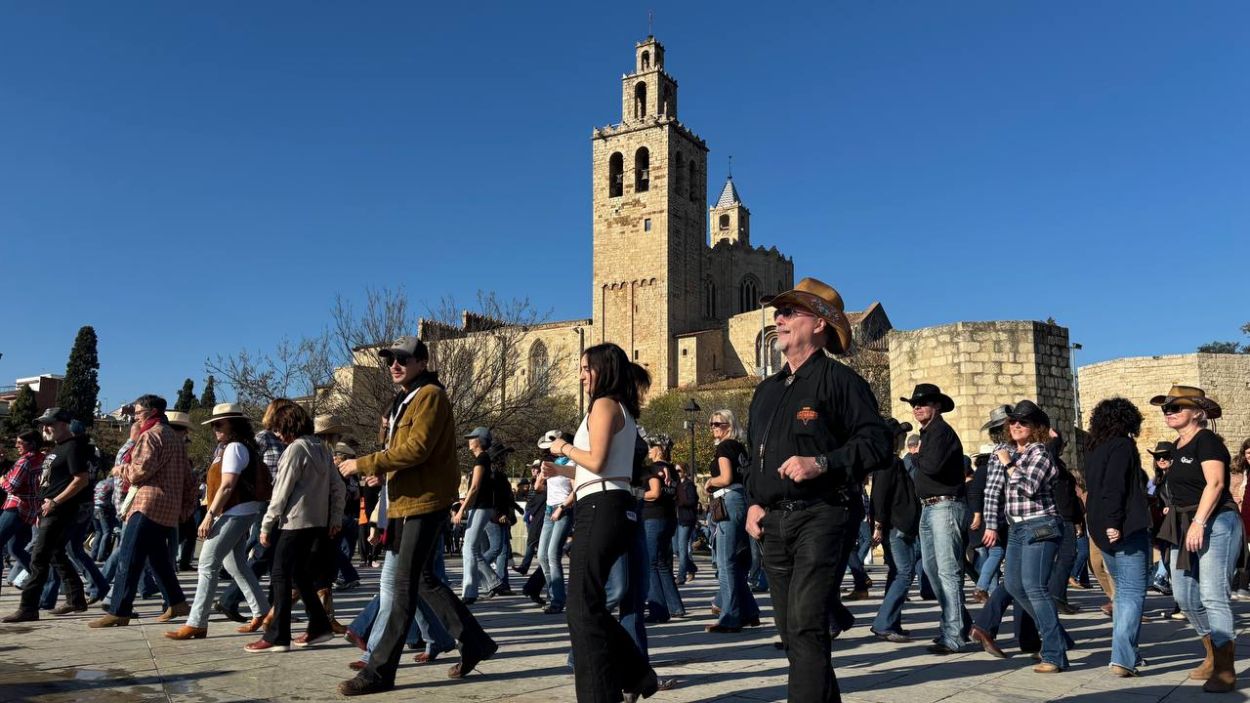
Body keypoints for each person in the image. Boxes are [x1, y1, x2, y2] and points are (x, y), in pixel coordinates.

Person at [743, 278, 892, 703]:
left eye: (791, 312)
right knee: (794, 633)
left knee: (807, 625)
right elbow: (757, 456)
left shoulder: (841, 382)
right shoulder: (766, 391)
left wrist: (822, 462)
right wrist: (754, 500)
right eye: (778, 312)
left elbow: (877, 444)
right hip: (773, 523)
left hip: (823, 514)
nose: (779, 319)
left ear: (821, 325)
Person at [335, 336, 497, 696]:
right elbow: (405, 452)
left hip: (424, 503)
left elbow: (418, 448)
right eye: (391, 359)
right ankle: (476, 642)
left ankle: (379, 671)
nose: (395, 364)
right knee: (423, 579)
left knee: (403, 585)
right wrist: (384, 472)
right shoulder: (406, 400)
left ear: (422, 362)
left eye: (403, 359)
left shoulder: (430, 397)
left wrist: (363, 463)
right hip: (407, 502)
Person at [542, 342, 662, 702]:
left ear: (602, 369)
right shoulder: (619, 407)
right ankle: (637, 673)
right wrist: (561, 468)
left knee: (580, 607)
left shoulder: (604, 405)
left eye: (585, 368)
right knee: (589, 604)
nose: (580, 375)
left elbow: (595, 461)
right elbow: (602, 464)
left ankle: (605, 691)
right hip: (613, 503)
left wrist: (562, 446)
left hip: (601, 507)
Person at [1151, 385, 1241, 693]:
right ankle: (1212, 654)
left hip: (1215, 521)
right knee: (1186, 595)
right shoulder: (1176, 445)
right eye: (1166, 409)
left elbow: (1215, 483)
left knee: (1213, 595)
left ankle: (1226, 669)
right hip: (1182, 523)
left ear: (1198, 412)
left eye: (1176, 407)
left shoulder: (1208, 440)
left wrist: (1199, 521)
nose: (1169, 413)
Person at [87, 396, 197, 628]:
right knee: (157, 559)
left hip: (147, 504)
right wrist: (185, 508)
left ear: (151, 412)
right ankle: (176, 601)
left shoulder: (151, 435)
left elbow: (139, 472)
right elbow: (189, 479)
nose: (135, 416)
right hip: (168, 508)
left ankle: (119, 610)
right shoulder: (177, 440)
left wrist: (120, 469)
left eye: (138, 412)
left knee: (128, 558)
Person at [244, 401, 344, 653]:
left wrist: (267, 524)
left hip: (295, 522)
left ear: (288, 427)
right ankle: (320, 624)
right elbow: (338, 487)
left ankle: (278, 635)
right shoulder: (320, 448)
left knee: (279, 573)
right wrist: (334, 518)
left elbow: (281, 491)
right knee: (300, 575)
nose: (277, 435)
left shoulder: (295, 450)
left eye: (279, 429)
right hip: (319, 523)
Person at [165, 404, 271, 640]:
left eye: (218, 424)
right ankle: (263, 612)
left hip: (235, 511)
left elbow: (227, 484)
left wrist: (210, 515)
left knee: (207, 564)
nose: (214, 429)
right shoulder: (234, 448)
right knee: (235, 565)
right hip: (240, 510)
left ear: (233, 424)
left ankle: (197, 622)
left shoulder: (233, 448)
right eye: (213, 424)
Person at [982, 400, 1069, 674]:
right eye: (1013, 422)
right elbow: (996, 489)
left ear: (1036, 428)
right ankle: (1059, 638)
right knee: (1014, 586)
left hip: (1040, 525)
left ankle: (1055, 654)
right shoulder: (1013, 454)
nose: (1017, 426)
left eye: (1024, 422)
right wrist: (991, 522)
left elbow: (1029, 487)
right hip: (1018, 528)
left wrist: (1008, 464)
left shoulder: (1039, 453)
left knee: (1034, 587)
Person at [1083, 397, 1150, 677]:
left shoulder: (1094, 448)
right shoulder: (1123, 445)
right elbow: (1115, 486)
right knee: (1132, 593)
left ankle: (1127, 653)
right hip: (1123, 527)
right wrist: (1114, 522)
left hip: (1099, 527)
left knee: (1122, 593)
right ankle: (1122, 659)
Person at [901, 382, 969, 655]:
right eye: (914, 404)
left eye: (923, 403)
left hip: (946, 506)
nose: (917, 407)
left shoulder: (940, 432)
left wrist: (915, 459)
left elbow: (931, 466)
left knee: (947, 571)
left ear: (937, 406)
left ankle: (954, 635)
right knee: (931, 570)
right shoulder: (927, 434)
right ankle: (959, 623)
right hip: (929, 508)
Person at [220, 399, 291, 626]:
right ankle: (230, 598)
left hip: (282, 503)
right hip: (265, 503)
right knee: (263, 552)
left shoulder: (287, 441)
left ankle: (274, 608)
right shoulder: (262, 438)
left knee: (276, 557)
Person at [705, 409, 758, 632]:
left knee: (725, 562)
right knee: (734, 560)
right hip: (741, 500)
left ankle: (730, 617)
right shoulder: (740, 448)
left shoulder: (725, 447)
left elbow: (725, 478)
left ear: (729, 425)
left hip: (727, 500)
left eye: (718, 423)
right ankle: (749, 611)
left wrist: (709, 481)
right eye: (712, 424)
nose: (714, 427)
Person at [869, 418, 920, 643]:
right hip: (896, 526)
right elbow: (880, 496)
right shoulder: (888, 463)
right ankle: (883, 623)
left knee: (896, 572)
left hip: (897, 525)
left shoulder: (888, 462)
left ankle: (892, 622)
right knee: (904, 573)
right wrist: (878, 525)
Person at [453, 427, 502, 603]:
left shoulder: (481, 459)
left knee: (469, 549)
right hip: (480, 507)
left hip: (481, 507)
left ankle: (470, 592)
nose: (469, 440)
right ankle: (493, 582)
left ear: (479, 441)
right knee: (472, 549)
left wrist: (461, 509)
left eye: (472, 437)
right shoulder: (482, 459)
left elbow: (474, 488)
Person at [642, 436, 685, 623]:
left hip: (653, 518)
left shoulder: (653, 468)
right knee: (662, 563)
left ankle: (658, 610)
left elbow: (654, 493)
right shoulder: (674, 471)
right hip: (669, 518)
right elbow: (680, 496)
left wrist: (635, 494)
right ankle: (676, 606)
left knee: (650, 563)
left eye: (651, 447)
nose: (649, 450)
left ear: (659, 449)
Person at [0, 431, 44, 603]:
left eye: (20, 443)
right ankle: (37, 579)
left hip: (15, 507)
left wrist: (2, 479)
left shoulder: (24, 461)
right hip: (29, 511)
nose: (17, 446)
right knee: (16, 549)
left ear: (31, 444)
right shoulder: (40, 459)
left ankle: (37, 579)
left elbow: (12, 486)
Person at [535, 431, 575, 615]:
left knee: (552, 554)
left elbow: (576, 490)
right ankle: (554, 594)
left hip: (563, 510)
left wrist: (562, 508)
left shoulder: (573, 464)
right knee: (542, 555)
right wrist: (540, 478)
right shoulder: (551, 463)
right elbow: (539, 488)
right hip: (549, 511)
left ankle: (558, 600)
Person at [674, 463, 699, 584]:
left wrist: (680, 502)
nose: (677, 473)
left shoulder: (689, 485)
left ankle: (681, 575)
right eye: (675, 471)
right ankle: (692, 568)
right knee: (676, 549)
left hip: (686, 520)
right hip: (675, 520)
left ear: (684, 472)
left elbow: (693, 501)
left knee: (683, 549)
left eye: (678, 470)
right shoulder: (676, 485)